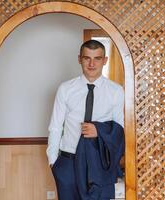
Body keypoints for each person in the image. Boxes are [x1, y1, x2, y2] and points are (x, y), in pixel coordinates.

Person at [46, 40, 124, 200]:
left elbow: (120, 129)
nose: (92, 63)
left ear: (105, 60)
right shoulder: (65, 89)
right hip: (69, 162)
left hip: (99, 163)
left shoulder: (116, 91)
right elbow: (55, 126)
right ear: (79, 59)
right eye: (87, 58)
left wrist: (99, 131)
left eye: (97, 58)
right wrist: (53, 161)